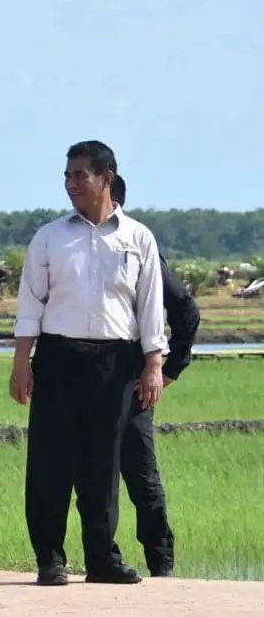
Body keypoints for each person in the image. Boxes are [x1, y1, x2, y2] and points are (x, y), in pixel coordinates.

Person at [10, 140, 167, 586]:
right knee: (50, 462)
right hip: (58, 359)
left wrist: (152, 364)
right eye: (67, 175)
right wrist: (22, 362)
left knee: (103, 464)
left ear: (107, 178)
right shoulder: (50, 237)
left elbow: (149, 307)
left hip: (115, 364)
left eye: (81, 174)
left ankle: (101, 558)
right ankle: (50, 559)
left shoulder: (138, 238)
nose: (71, 183)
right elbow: (30, 303)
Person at [110, 174, 200, 577]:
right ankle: (101, 560)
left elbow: (185, 310)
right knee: (90, 479)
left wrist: (168, 370)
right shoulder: (70, 243)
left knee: (143, 480)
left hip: (131, 380)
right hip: (83, 379)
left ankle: (162, 567)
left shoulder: (137, 247)